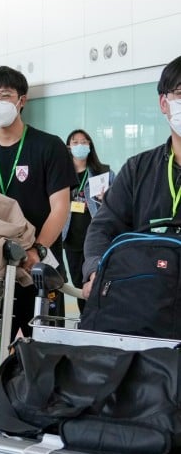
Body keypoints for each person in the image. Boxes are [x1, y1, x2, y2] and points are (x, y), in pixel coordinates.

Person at [0, 65, 74, 338]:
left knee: (43, 345)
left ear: (22, 100)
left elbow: (60, 207)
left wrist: (37, 250)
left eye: (5, 95)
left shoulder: (49, 146)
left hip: (37, 266)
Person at [83, 55, 181, 299]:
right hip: (145, 300)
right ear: (164, 103)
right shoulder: (138, 170)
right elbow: (103, 227)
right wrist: (97, 270)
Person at [60, 129, 113, 312]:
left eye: (84, 142)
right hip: (72, 239)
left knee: (99, 280)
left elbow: (119, 204)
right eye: (75, 142)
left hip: (97, 239)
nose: (80, 145)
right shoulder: (62, 174)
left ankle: (99, 319)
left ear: (90, 146)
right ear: (68, 147)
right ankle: (85, 319)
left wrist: (107, 198)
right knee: (79, 284)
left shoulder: (103, 173)